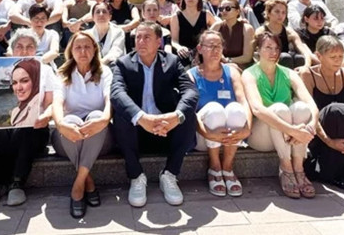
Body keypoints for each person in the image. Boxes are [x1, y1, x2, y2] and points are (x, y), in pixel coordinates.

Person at [111, 22, 199, 207]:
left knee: (188, 114)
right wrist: (142, 118)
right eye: (137, 37)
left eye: (146, 37)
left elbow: (190, 91)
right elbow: (117, 93)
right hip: (137, 130)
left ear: (159, 42)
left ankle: (170, 174)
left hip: (166, 128)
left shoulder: (172, 62)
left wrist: (175, 117)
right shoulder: (123, 63)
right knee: (122, 113)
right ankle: (136, 176)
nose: (140, 41)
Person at [242, 32, 320, 199]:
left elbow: (310, 102)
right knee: (279, 108)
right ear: (257, 51)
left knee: (301, 108)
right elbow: (257, 109)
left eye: (276, 48)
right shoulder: (249, 74)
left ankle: (298, 168)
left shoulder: (289, 73)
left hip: (287, 135)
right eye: (268, 48)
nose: (274, 52)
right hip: (261, 135)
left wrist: (312, 124)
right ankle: (286, 167)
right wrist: (294, 130)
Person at [0, 54, 54, 208]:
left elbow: (52, 103)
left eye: (25, 81)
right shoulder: (0, 78)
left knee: (27, 127)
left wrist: (46, 116)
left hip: (35, 132)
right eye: (15, 82)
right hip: (6, 136)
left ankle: (16, 182)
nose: (19, 87)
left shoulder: (46, 71)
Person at [52, 32, 114, 217]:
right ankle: (88, 182)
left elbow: (109, 100)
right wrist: (61, 124)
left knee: (96, 115)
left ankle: (78, 186)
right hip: (68, 139)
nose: (83, 51)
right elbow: (56, 103)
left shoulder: (105, 72)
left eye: (87, 46)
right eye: (78, 47)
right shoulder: (62, 73)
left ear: (95, 49)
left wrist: (104, 119)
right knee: (70, 120)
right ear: (71, 50)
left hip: (101, 137)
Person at [298, 36, 344, 190]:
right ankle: (332, 170)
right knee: (335, 110)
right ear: (319, 56)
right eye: (333, 57)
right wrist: (329, 141)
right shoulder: (307, 74)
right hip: (320, 132)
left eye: (340, 57)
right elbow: (311, 113)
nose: (338, 61)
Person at [190, 30, 250, 197]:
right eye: (210, 46)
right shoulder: (192, 75)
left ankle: (228, 167)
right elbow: (190, 112)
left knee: (236, 109)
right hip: (203, 134)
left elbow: (243, 101)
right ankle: (215, 167)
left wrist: (247, 129)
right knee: (215, 108)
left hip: (232, 134)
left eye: (219, 46)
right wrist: (207, 133)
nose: (215, 50)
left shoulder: (232, 72)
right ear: (200, 49)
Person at [257, 0, 312, 69]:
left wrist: (306, 66)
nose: (280, 15)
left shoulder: (288, 31)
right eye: (277, 12)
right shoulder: (261, 31)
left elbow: (303, 50)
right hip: (269, 63)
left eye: (283, 12)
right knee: (285, 57)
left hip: (286, 62)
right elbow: (256, 54)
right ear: (268, 13)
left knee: (299, 58)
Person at [170, 0, 217, 66]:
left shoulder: (206, 14)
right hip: (184, 53)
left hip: (203, 52)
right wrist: (179, 48)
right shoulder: (176, 17)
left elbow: (217, 29)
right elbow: (174, 40)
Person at [210, 0, 255, 68]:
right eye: (221, 9)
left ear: (237, 11)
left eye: (228, 8)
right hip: (219, 66)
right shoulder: (216, 26)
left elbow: (247, 57)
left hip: (242, 67)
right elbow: (207, 45)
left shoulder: (247, 29)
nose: (224, 11)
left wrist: (228, 60)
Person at [86, 2, 126, 66]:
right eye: (98, 12)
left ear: (110, 16)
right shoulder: (87, 34)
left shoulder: (118, 32)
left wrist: (99, 65)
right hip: (91, 67)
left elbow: (116, 52)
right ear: (93, 17)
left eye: (104, 12)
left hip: (112, 66)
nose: (101, 14)